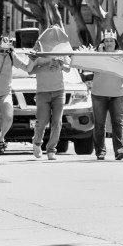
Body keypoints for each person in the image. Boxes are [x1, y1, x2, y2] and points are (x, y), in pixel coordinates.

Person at [28, 31, 71, 161]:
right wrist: (44, 66)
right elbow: (29, 70)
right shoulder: (38, 52)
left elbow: (69, 68)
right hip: (42, 92)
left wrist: (61, 65)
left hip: (59, 91)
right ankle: (37, 143)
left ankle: (51, 149)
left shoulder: (61, 51)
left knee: (57, 122)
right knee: (42, 121)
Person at [91, 30, 123, 161]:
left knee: (118, 123)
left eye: (111, 41)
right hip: (99, 94)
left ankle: (120, 150)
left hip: (117, 93)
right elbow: (91, 68)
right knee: (99, 124)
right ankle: (100, 151)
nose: (109, 43)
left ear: (116, 42)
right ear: (102, 43)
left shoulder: (121, 54)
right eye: (106, 41)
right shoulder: (96, 55)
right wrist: (100, 53)